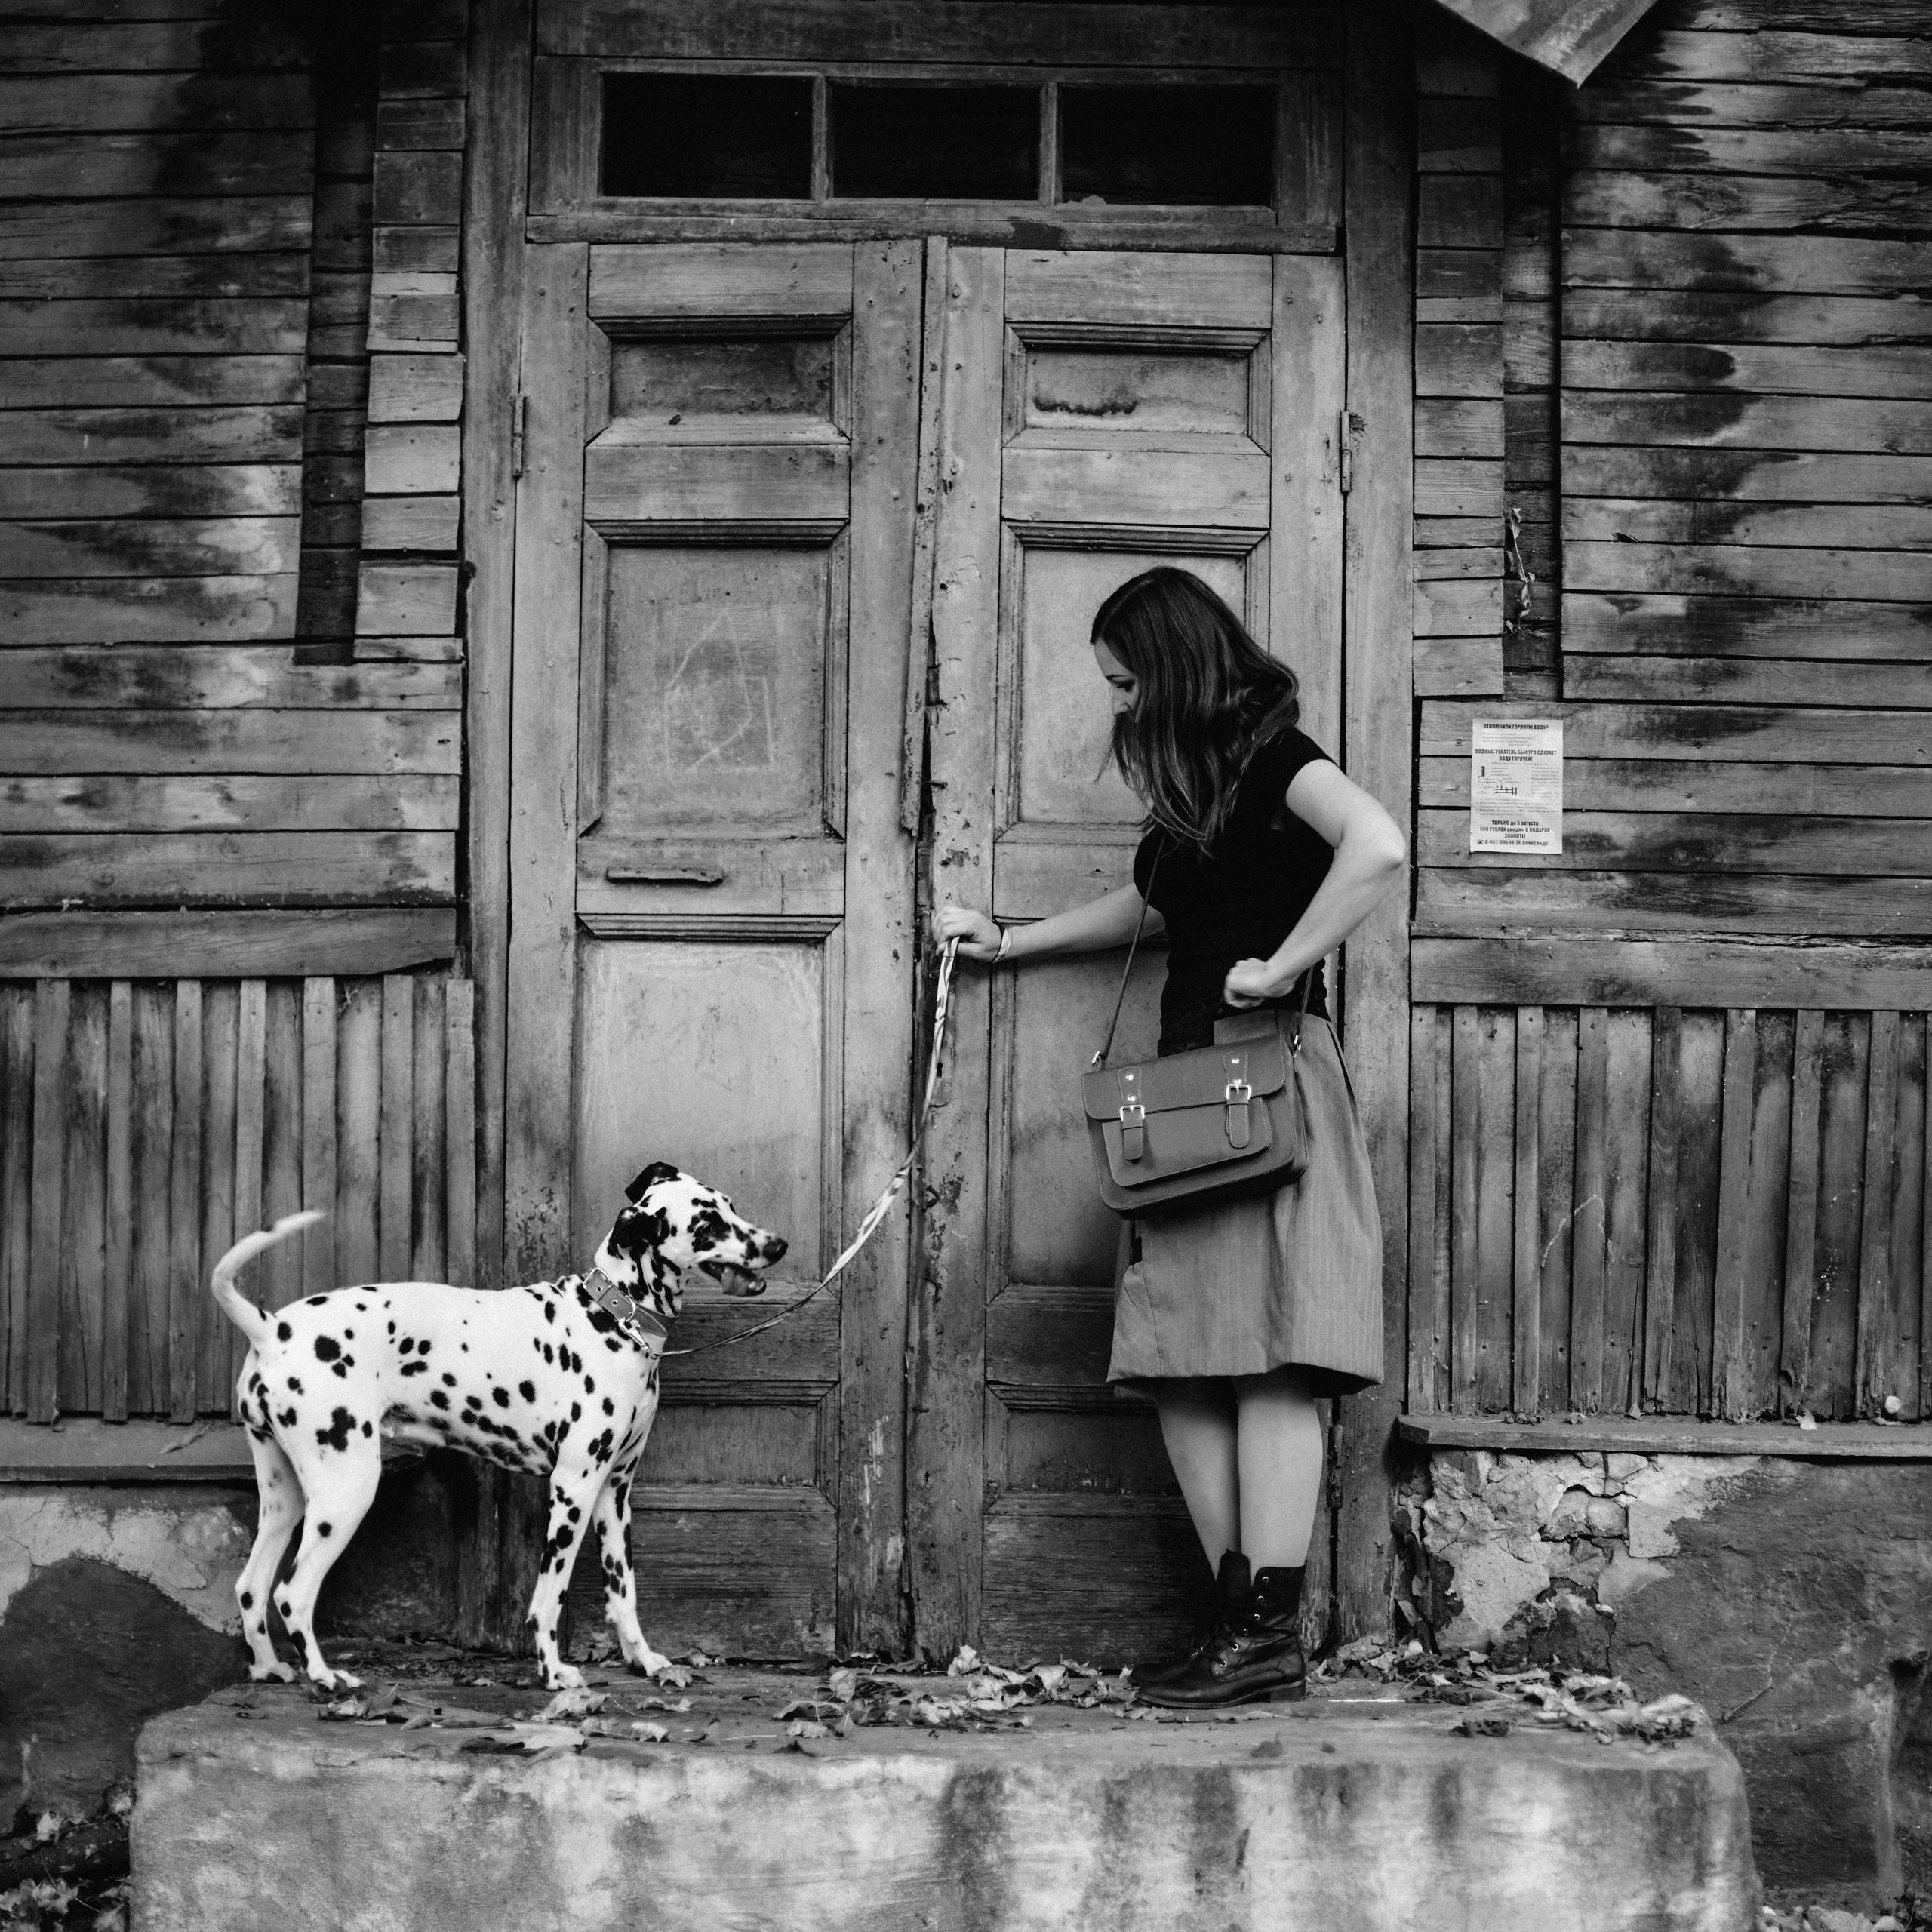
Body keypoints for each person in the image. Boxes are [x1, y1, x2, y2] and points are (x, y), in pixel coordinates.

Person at [934, 566, 1404, 1708]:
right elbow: (1151, 908)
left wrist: (1283, 966)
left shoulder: (1283, 759)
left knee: (1275, 1360)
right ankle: (1234, 1622)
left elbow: (1380, 848)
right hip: (1186, 1097)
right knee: (1184, 1363)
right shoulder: (1196, 795)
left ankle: (1266, 1635)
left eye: (1129, 682)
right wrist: (1007, 941)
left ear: (1178, 667)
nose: (1122, 708)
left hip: (1276, 1082)